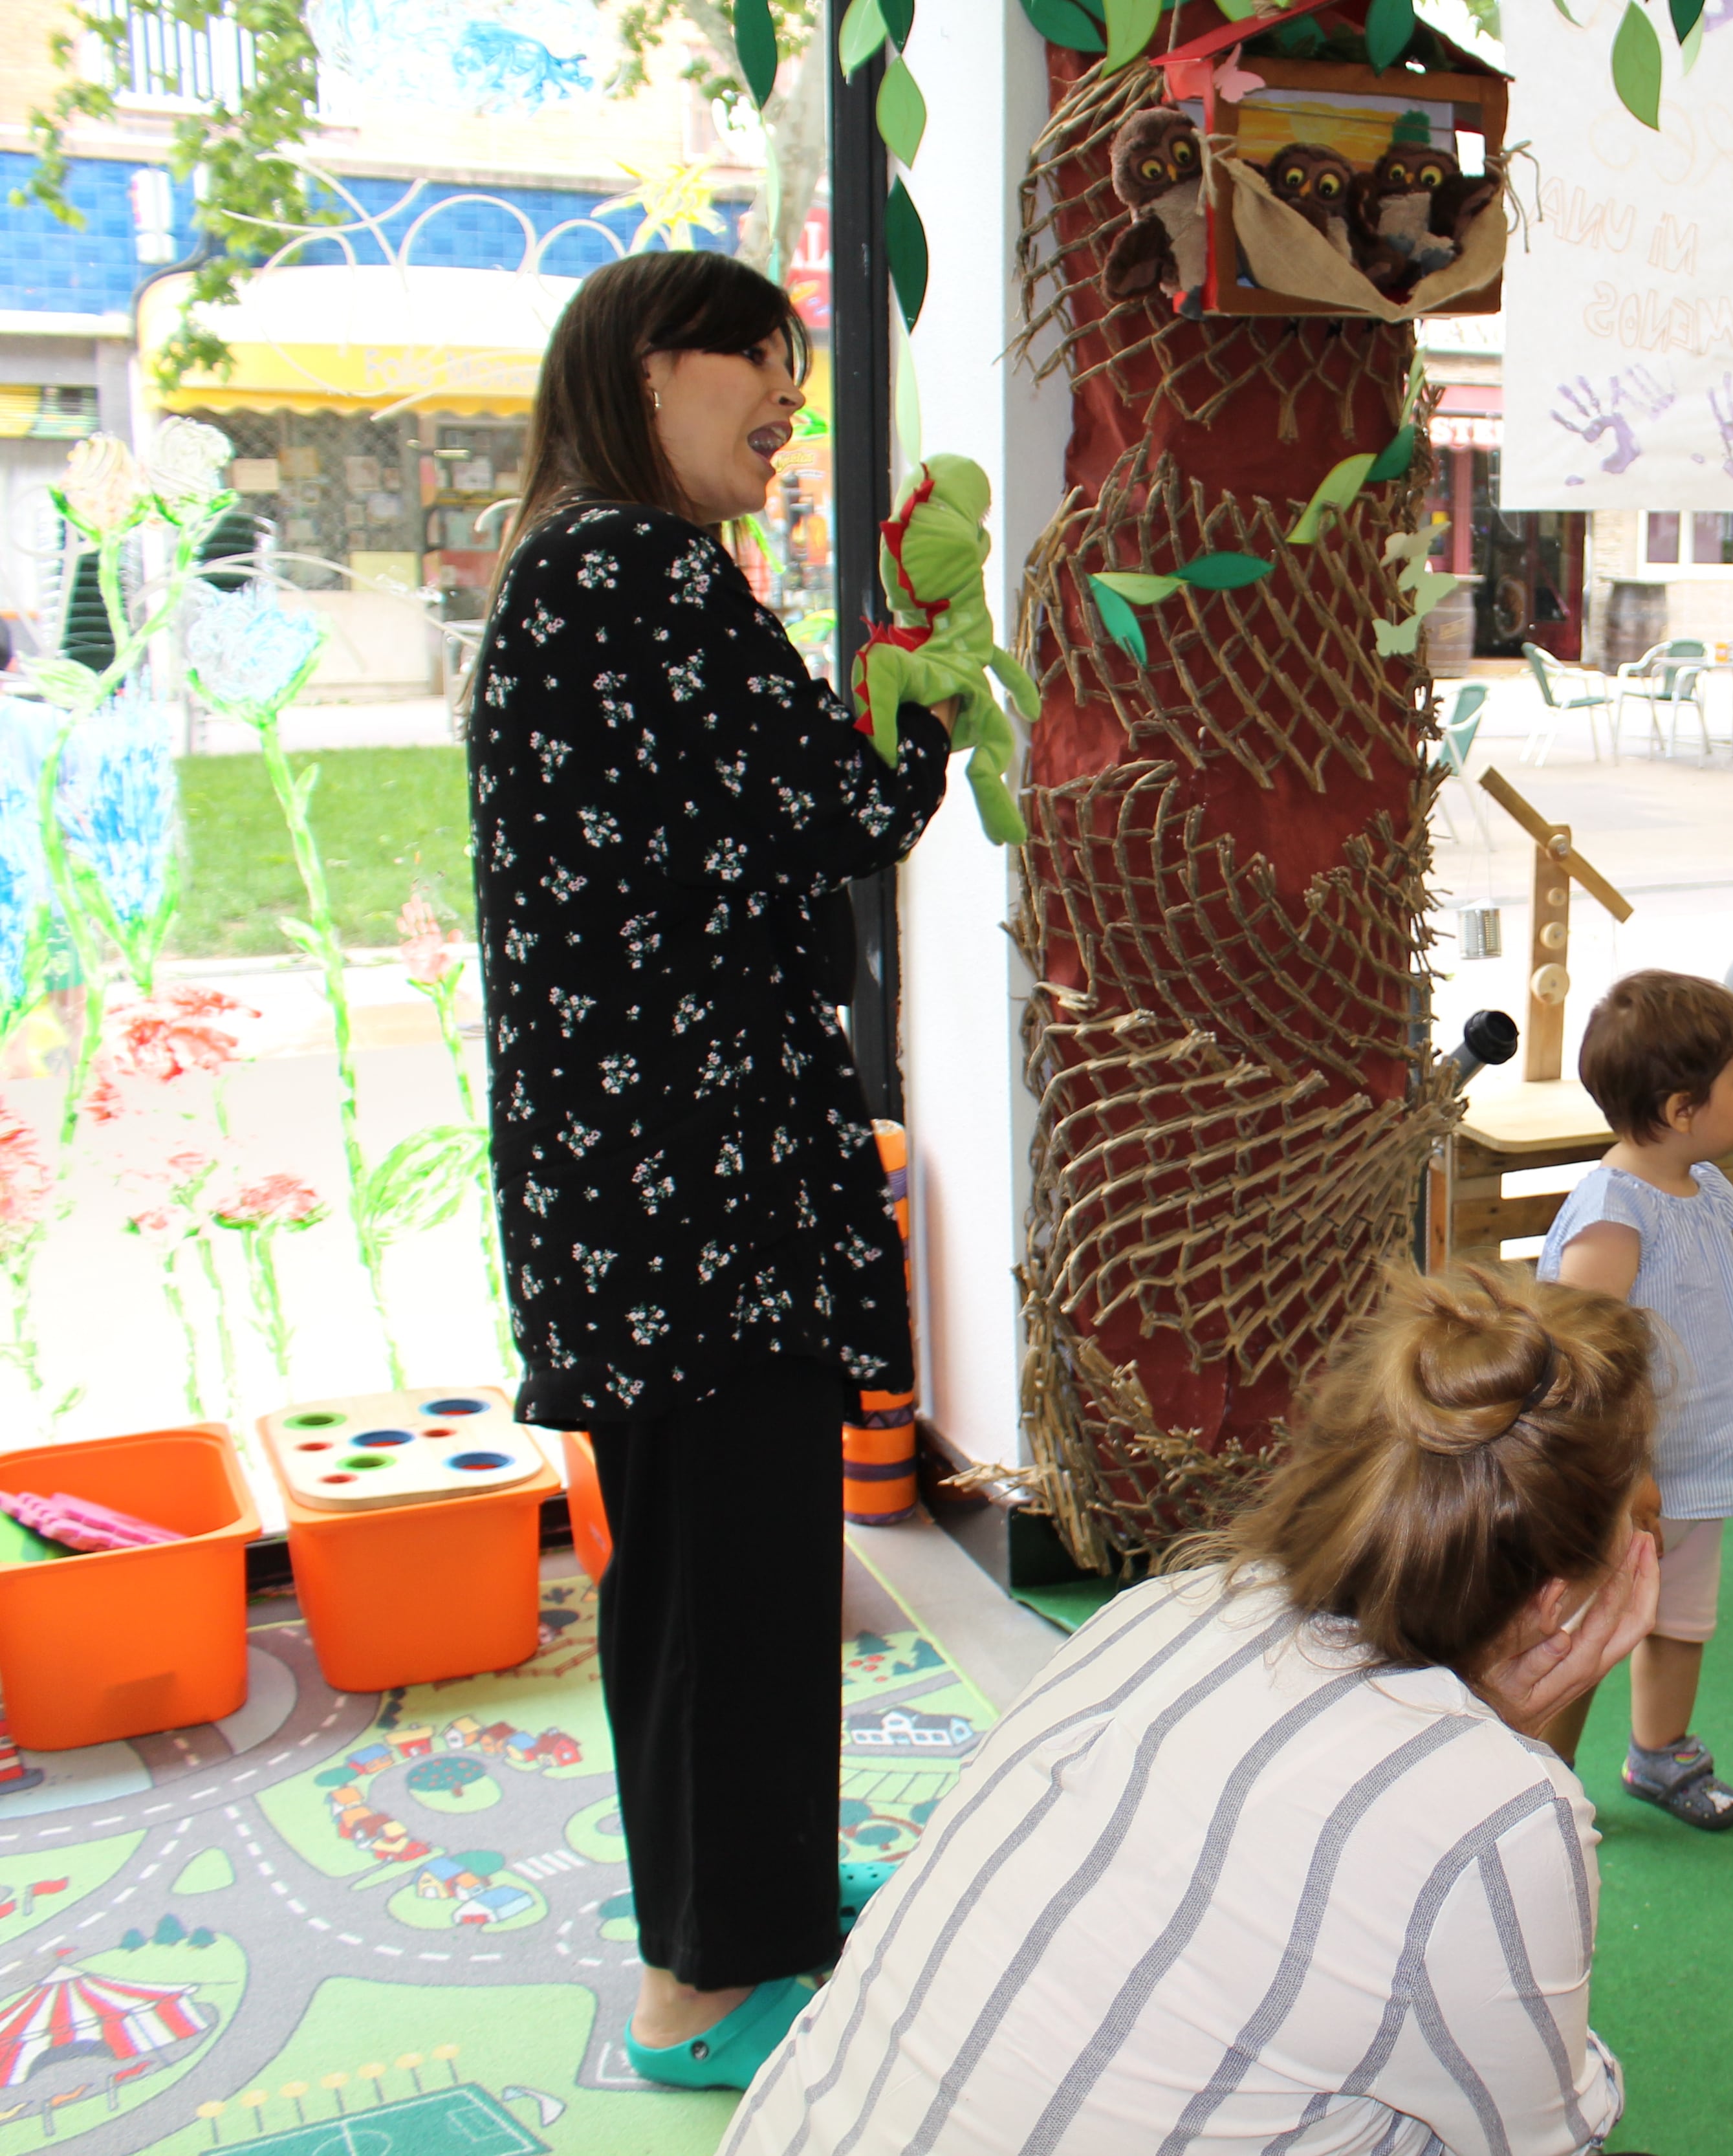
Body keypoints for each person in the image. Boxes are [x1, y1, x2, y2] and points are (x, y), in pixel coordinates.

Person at [468, 249, 955, 2084]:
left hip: (645, 1181)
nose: (787, 404)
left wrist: (890, 700)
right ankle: (707, 1978)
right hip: (698, 1186)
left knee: (700, 1571)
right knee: (730, 1572)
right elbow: (836, 806)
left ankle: (733, 1887)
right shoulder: (642, 568)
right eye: (761, 365)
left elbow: (766, 823)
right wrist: (927, 671)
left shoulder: (568, 565)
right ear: (654, 369)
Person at [721, 1265, 1659, 2155]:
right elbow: (1549, 2132)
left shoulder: (1174, 1605)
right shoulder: (1495, 1819)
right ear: (1552, 1598)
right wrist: (1506, 1745)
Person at [1536, 969, 1733, 1829]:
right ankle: (1543, 1777)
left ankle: (1658, 1752)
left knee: (1679, 1621)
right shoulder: (1613, 1212)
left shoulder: (1697, 1185)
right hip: (1629, 1480)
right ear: (1681, 1109)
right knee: (1589, 1634)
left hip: (1693, 1471)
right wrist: (1626, 1471)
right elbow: (1587, 1356)